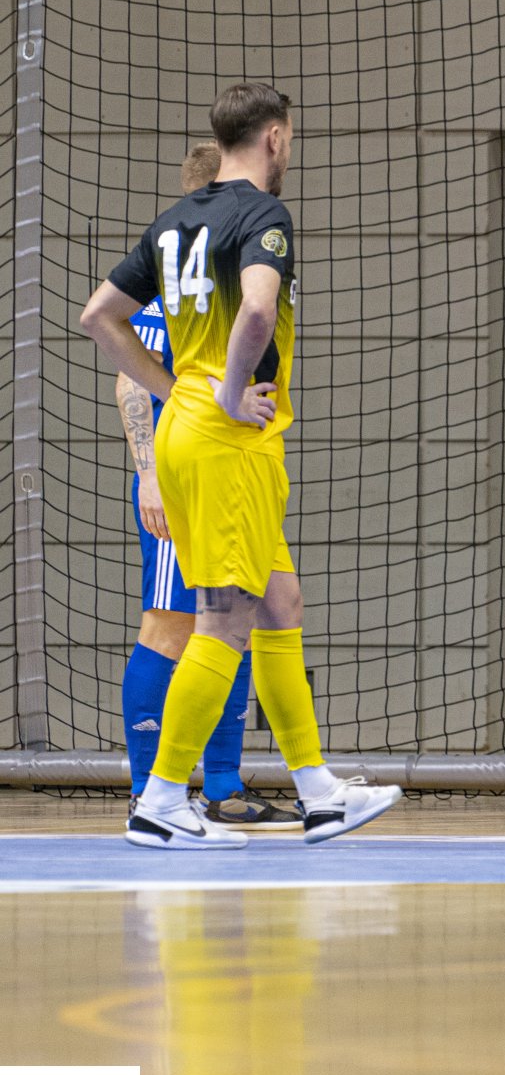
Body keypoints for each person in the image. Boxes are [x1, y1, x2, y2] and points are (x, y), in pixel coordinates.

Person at [79, 82, 403, 849]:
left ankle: (319, 792)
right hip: (227, 442)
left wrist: (180, 392)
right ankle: (161, 799)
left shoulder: (171, 223)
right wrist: (225, 391)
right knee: (219, 621)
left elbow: (98, 316)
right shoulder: (262, 215)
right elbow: (257, 308)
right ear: (275, 138)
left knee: (279, 601)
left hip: (192, 432)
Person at [114, 141, 299, 828]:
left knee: (237, 620)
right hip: (183, 479)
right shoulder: (176, 284)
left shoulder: (233, 277)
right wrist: (149, 476)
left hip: (231, 471)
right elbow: (128, 381)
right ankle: (148, 790)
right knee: (170, 625)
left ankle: (221, 787)